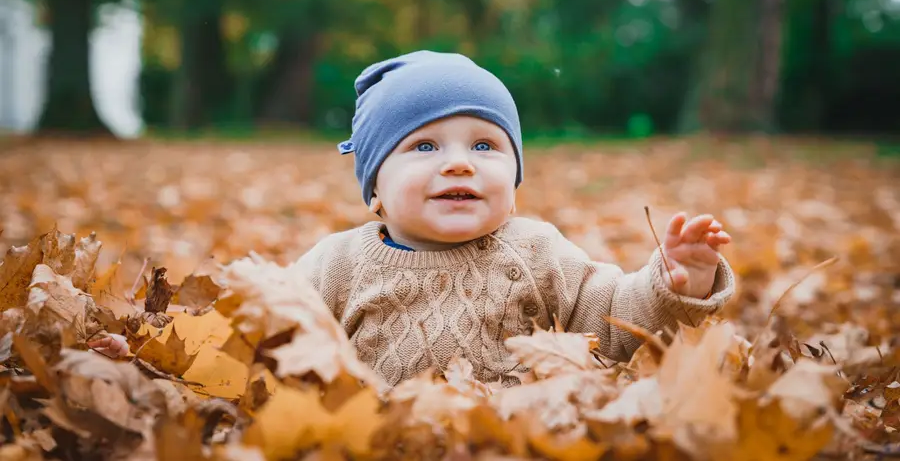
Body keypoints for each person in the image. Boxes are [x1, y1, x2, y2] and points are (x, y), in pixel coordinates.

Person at [298, 50, 735, 387]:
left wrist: (673, 285)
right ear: (375, 189)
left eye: (484, 146)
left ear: (512, 190)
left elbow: (613, 322)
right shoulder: (336, 265)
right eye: (425, 146)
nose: (459, 164)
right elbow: (269, 337)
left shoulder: (537, 251)